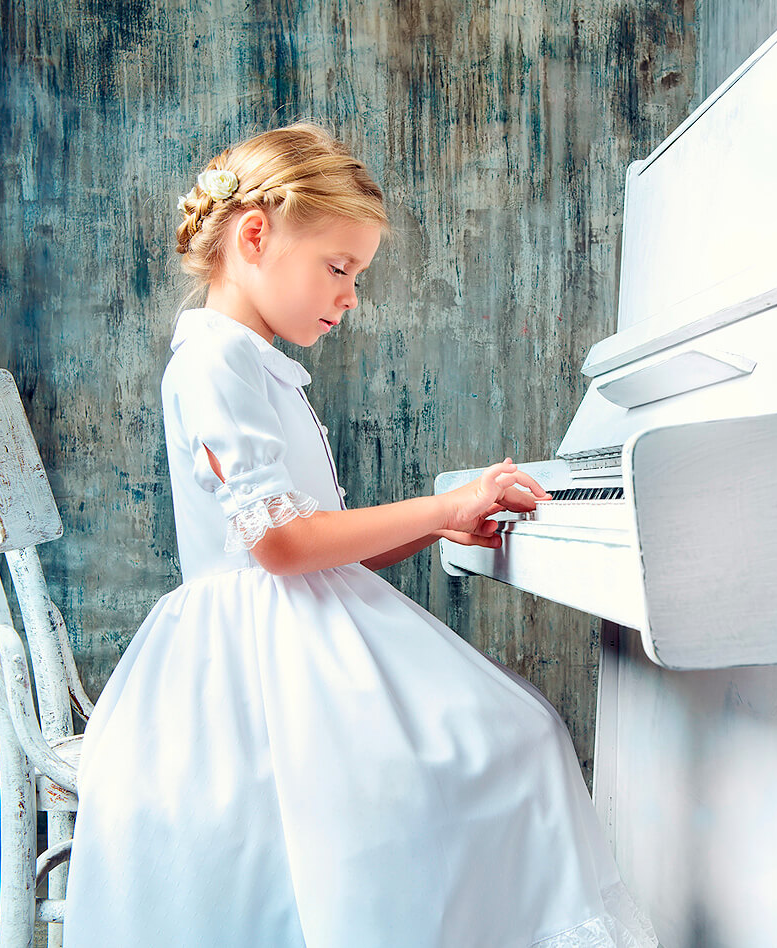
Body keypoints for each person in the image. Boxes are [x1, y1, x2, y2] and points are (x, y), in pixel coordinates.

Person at [63, 121, 661, 948]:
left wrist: (441, 525)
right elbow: (280, 544)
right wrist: (443, 509)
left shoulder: (252, 359)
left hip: (305, 625)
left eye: (358, 275)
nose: (350, 296)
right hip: (263, 660)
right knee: (495, 749)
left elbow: (320, 541)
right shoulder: (214, 362)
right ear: (255, 235)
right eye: (338, 268)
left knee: (514, 736)